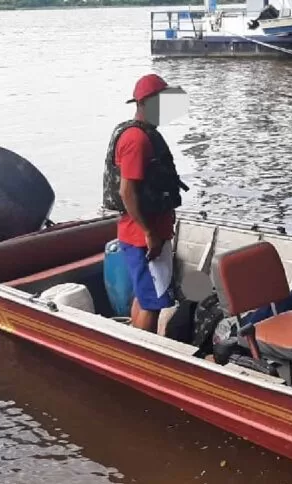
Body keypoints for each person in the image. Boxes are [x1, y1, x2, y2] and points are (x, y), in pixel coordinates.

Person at [103, 73, 189, 333]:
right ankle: (143, 351)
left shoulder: (143, 135)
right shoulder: (137, 140)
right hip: (143, 238)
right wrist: (150, 233)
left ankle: (134, 340)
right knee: (152, 303)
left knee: (144, 296)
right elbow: (127, 192)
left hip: (146, 234)